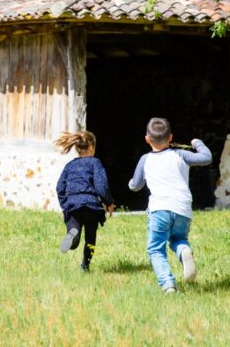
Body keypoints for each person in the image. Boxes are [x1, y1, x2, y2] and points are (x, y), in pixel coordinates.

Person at [129, 117, 212, 293]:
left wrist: (130, 183)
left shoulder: (145, 160)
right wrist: (197, 142)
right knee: (178, 239)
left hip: (159, 209)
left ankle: (168, 285)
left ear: (147, 139)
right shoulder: (180, 154)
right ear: (171, 137)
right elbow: (206, 158)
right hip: (183, 209)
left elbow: (136, 186)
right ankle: (183, 252)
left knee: (156, 250)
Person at [55, 131, 115, 272]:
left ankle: (72, 236)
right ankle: (85, 266)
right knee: (90, 238)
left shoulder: (70, 166)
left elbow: (60, 187)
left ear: (77, 148)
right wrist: (109, 202)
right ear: (92, 147)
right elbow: (101, 186)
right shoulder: (95, 163)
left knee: (74, 234)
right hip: (91, 206)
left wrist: (65, 205)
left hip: (73, 205)